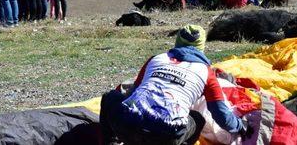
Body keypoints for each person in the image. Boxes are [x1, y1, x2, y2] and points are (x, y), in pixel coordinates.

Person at [99, 25, 250, 145]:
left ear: (178, 41)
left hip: (126, 126)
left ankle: (112, 142)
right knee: (197, 119)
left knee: (109, 97)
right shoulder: (206, 72)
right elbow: (220, 114)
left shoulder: (156, 59)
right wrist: (239, 126)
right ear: (201, 47)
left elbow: (133, 93)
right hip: (165, 137)